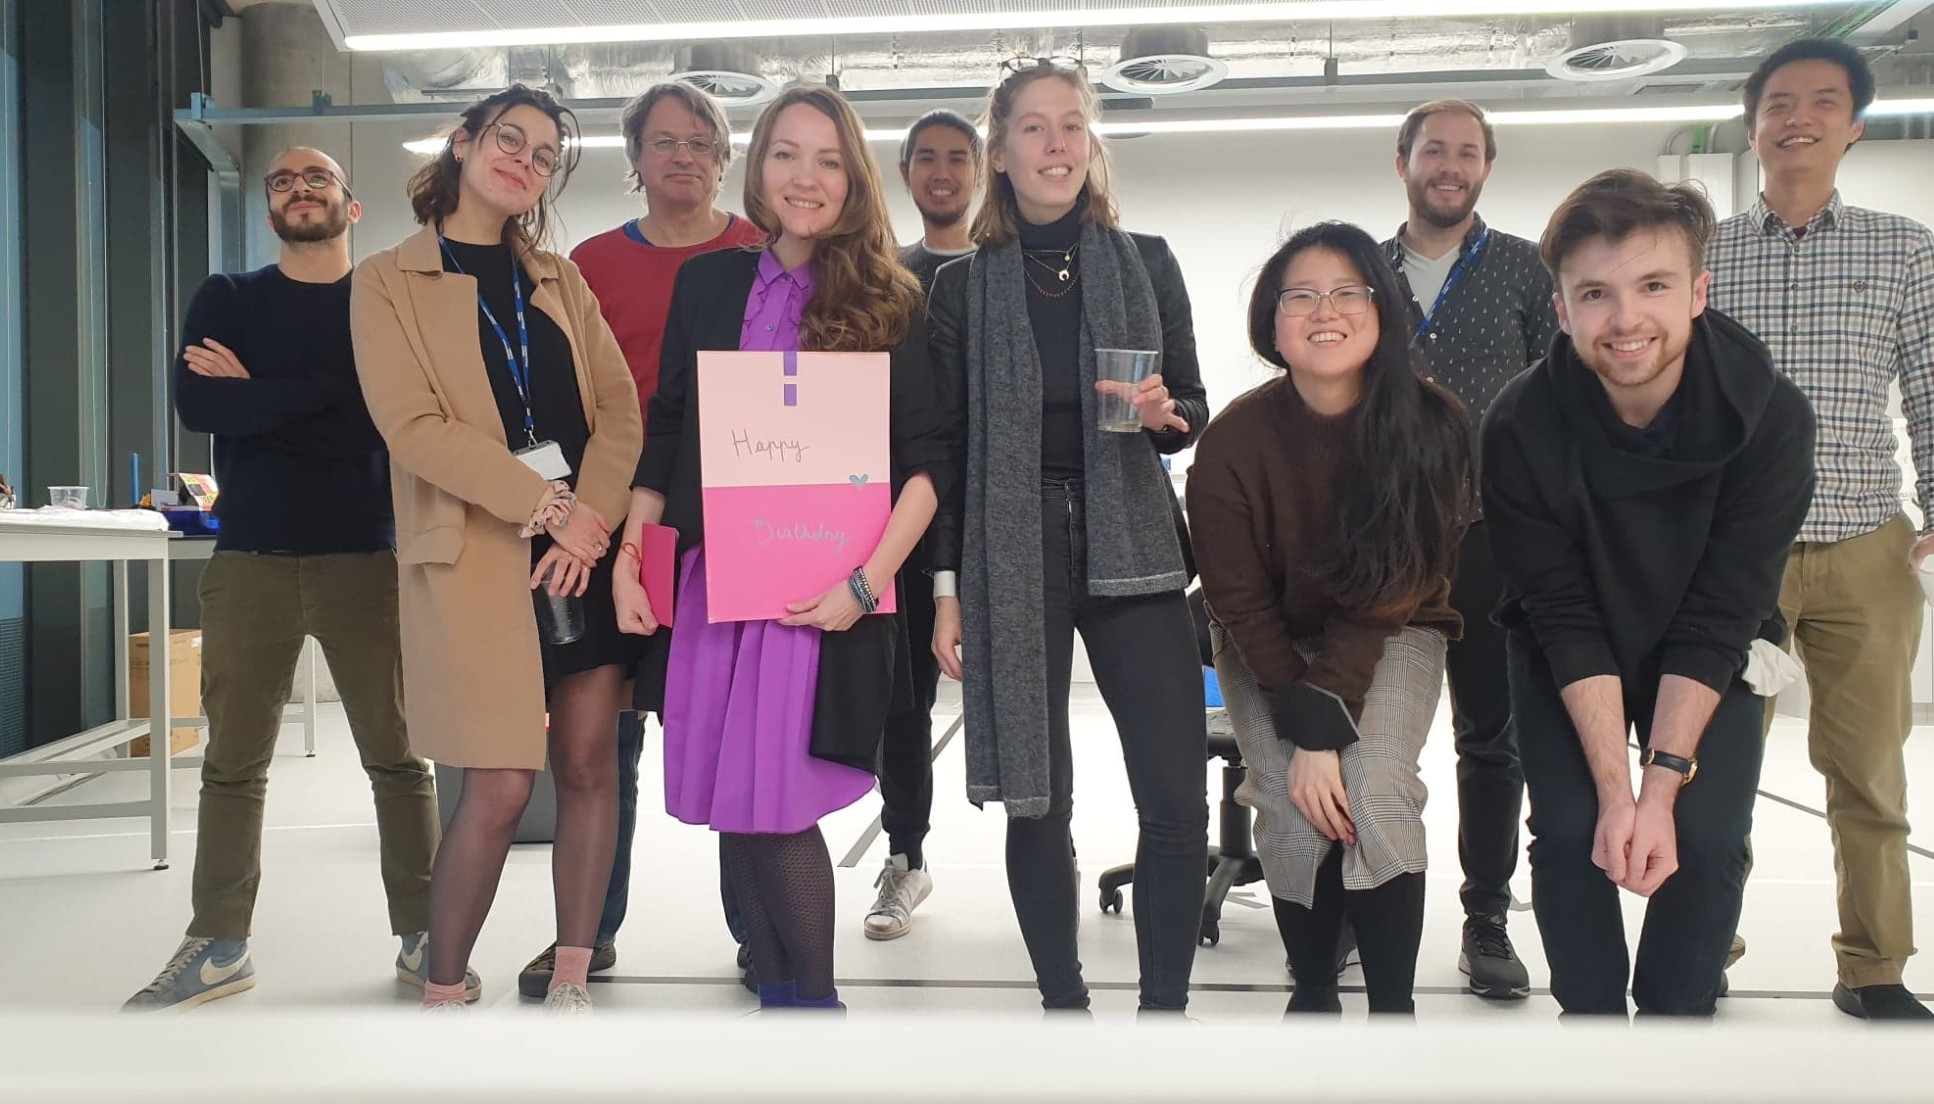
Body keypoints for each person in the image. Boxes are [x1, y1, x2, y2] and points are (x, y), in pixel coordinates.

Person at [615, 83, 948, 1012]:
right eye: (787, 154)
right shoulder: (709, 284)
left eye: (829, 159)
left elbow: (928, 466)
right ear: (757, 168)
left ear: (854, 178)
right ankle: (779, 1003)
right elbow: (668, 429)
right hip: (717, 584)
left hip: (824, 595)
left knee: (777, 805)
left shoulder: (890, 298)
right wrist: (634, 555)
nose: (807, 177)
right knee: (738, 802)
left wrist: (864, 584)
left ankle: (816, 1013)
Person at [124, 148, 454, 1012]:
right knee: (232, 764)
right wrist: (329, 397)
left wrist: (263, 395)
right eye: (282, 181)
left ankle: (429, 938)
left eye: (317, 179)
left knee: (398, 758)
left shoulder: (381, 300)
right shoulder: (227, 297)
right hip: (249, 562)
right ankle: (219, 945)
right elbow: (202, 408)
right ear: (271, 206)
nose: (299, 189)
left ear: (351, 205)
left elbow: (389, 423)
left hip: (366, 559)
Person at [1484, 169, 1815, 1017]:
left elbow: (1722, 612)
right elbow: (1562, 611)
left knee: (1706, 838)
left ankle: (1678, 1026)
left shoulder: (1772, 419)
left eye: (1654, 286)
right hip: (1567, 639)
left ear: (1699, 293)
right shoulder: (1519, 424)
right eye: (1595, 293)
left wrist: (1659, 788)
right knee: (1570, 833)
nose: (1626, 319)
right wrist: (1613, 792)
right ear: (1561, 311)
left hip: (1708, 639)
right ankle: (1591, 1029)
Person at [350, 84, 643, 1014]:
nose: (525, 160)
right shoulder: (386, 280)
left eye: (544, 154)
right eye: (509, 140)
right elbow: (413, 427)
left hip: (579, 554)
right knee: (501, 784)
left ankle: (572, 976)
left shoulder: (559, 279)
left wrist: (587, 522)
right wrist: (547, 506)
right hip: (480, 557)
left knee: (591, 763)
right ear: (464, 143)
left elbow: (619, 412)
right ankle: (444, 986)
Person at [927, 57, 1210, 1014]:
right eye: (1034, 128)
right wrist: (946, 591)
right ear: (1000, 154)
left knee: (1174, 793)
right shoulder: (961, 289)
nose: (1057, 144)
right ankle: (1062, 1002)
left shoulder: (1149, 262)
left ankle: (1164, 1006)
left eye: (1072, 125)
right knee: (1036, 793)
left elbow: (1193, 407)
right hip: (1012, 551)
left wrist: (1167, 413)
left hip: (1134, 537)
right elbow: (947, 453)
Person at [515, 79, 765, 1001]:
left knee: (737, 731)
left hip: (737, 521)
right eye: (665, 142)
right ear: (636, 159)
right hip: (617, 520)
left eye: (700, 142)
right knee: (603, 740)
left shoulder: (761, 250)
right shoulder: (588, 266)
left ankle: (762, 930)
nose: (683, 157)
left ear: (724, 158)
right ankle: (590, 933)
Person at [1706, 38, 1934, 1022]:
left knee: (1868, 774)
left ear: (1854, 126)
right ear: (1752, 124)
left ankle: (1874, 968)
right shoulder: (1701, 253)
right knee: (1710, 770)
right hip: (1728, 553)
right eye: (1778, 103)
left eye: (1822, 102)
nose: (1797, 118)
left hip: (1862, 546)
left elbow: (1930, 389)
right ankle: (1699, 950)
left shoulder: (1903, 247)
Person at [1190, 222, 1471, 1016]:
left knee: (1374, 786)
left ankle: (1393, 1012)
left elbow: (1392, 588)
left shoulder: (1431, 423)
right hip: (1265, 639)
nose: (1326, 310)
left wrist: (1323, 729)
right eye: (1302, 295)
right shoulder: (1233, 440)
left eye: (1349, 291)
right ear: (1272, 321)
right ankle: (1313, 992)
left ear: (1382, 309)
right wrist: (1301, 724)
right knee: (1288, 800)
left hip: (1393, 626)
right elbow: (1237, 597)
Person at [1379, 99, 1557, 1000]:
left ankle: (1486, 916)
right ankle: (1360, 908)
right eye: (1433, 150)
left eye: (1467, 152)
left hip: (1491, 536)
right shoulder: (1360, 273)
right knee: (1373, 738)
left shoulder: (1530, 270)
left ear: (1486, 167)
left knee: (1491, 740)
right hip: (1380, 540)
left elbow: (1562, 404)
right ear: (1403, 162)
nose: (1449, 166)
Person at [856, 108, 984, 942]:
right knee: (902, 705)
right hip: (909, 518)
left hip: (1003, 517)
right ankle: (905, 856)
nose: (942, 171)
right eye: (926, 157)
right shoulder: (882, 281)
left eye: (957, 157)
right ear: (903, 171)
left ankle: (1053, 859)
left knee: (1029, 706)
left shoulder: (1006, 272)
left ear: (981, 169)